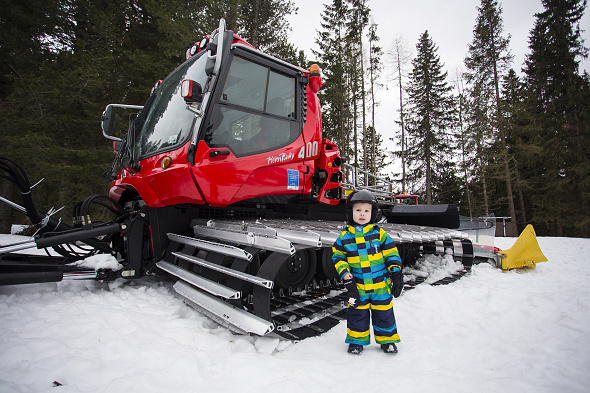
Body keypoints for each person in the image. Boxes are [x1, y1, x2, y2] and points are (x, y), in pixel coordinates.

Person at [332, 190, 404, 354]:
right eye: (358, 210)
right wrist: (345, 274)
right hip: (357, 286)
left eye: (367, 211)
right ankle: (356, 341)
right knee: (356, 313)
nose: (362, 214)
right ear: (351, 212)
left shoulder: (380, 234)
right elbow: (338, 257)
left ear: (373, 213)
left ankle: (388, 340)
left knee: (384, 313)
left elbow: (391, 253)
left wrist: (397, 273)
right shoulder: (344, 237)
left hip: (381, 285)